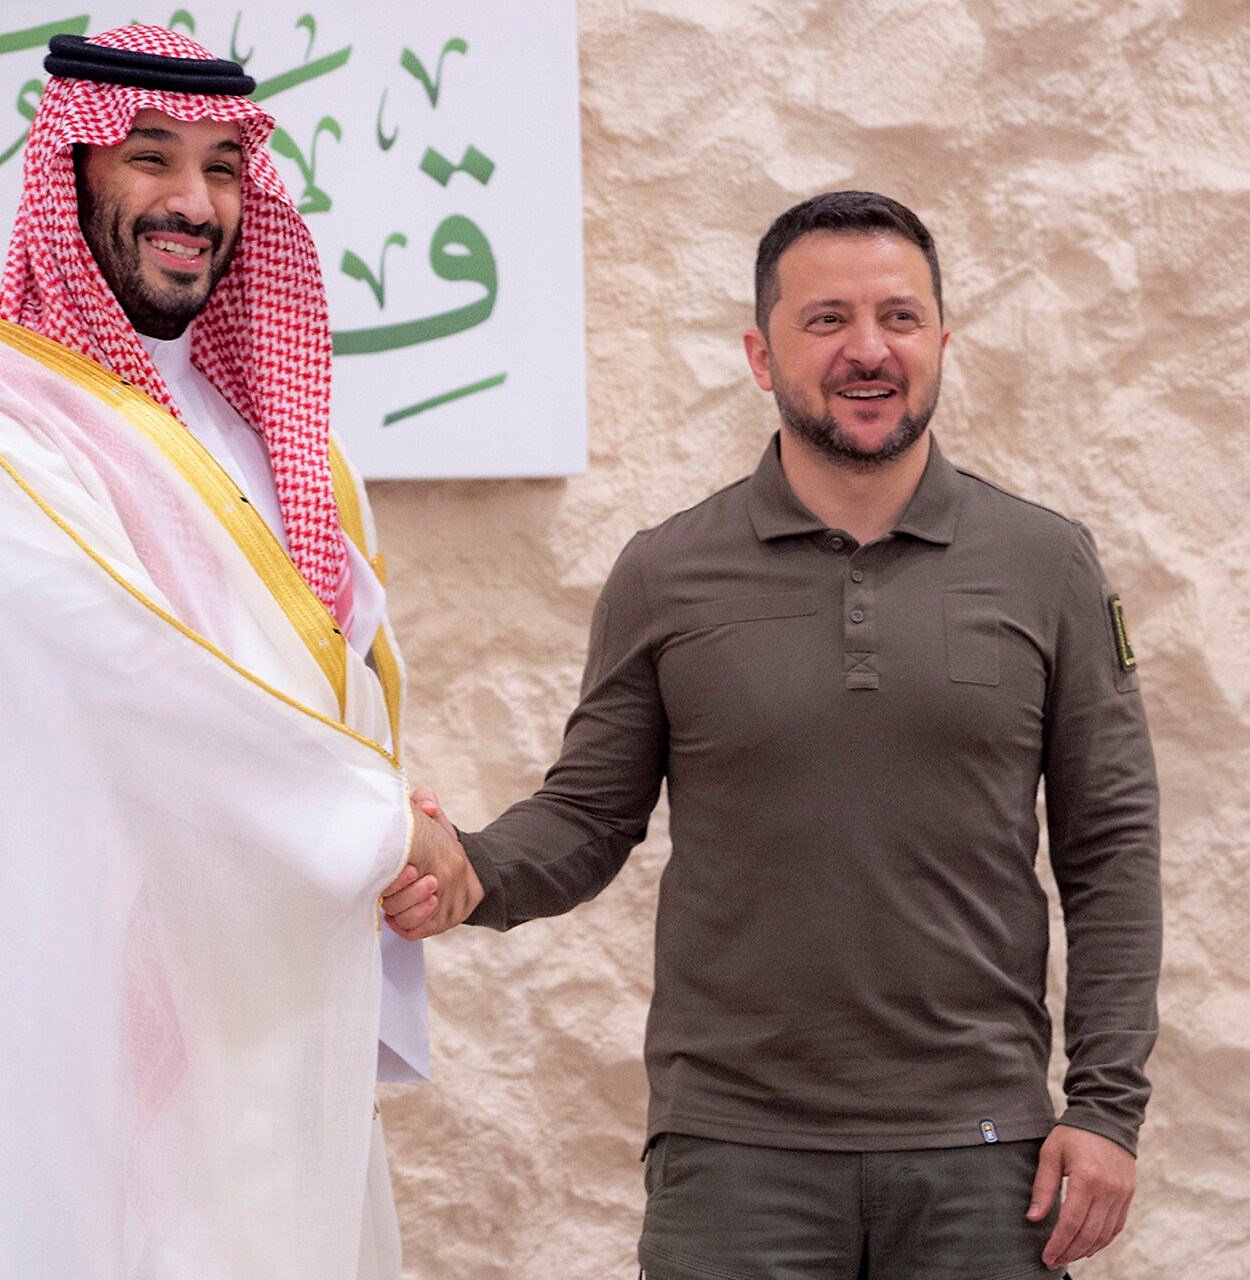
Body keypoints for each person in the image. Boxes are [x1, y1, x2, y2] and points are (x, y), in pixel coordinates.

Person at [385, 191, 1162, 1277]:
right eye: (825, 318)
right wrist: (469, 866)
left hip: (983, 1155)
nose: (867, 348)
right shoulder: (665, 571)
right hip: (733, 1157)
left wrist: (1105, 1106)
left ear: (941, 340)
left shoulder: (1046, 563)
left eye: (898, 316)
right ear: (760, 353)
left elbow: (1110, 848)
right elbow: (587, 814)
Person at [0, 26, 434, 1280]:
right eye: (149, 157)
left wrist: (397, 842)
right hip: (65, 1022)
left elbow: (330, 697)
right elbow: (125, 673)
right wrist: (376, 825)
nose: (189, 202)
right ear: (72, 175)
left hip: (262, 1021)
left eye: (219, 167)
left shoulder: (280, 442)